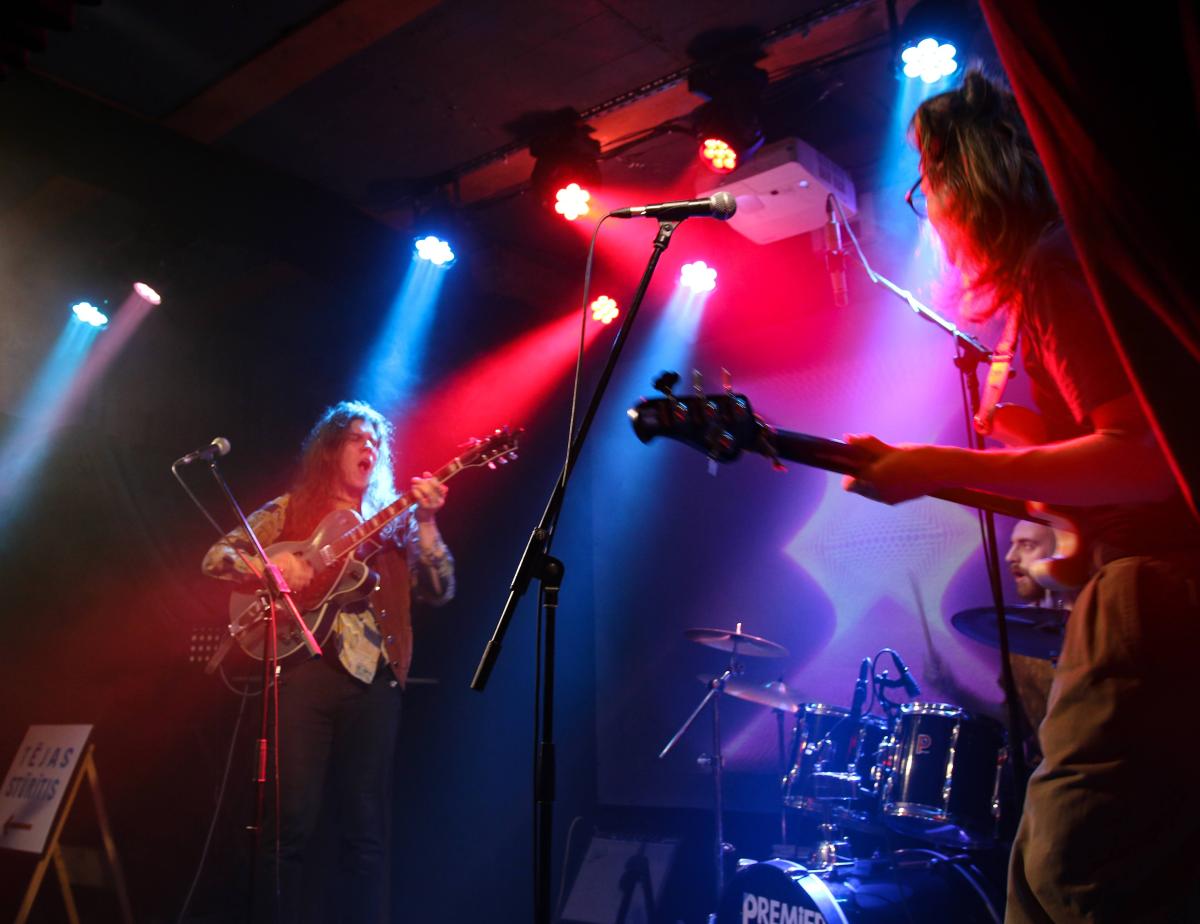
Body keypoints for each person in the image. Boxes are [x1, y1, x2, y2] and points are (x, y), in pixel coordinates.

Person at [845, 70, 1200, 922]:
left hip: (1153, 587)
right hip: (1137, 586)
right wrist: (1051, 514)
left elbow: (1144, 458)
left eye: (925, 188)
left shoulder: (1055, 265)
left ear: (963, 180)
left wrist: (935, 465)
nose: (927, 213)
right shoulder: (1060, 270)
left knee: (1066, 872)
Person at [202, 400, 454, 923]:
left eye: (376, 441)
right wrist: (271, 568)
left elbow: (440, 589)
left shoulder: (395, 519)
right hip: (303, 673)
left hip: (376, 679)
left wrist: (428, 521)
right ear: (331, 449)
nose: (370, 447)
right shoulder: (290, 509)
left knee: (366, 829)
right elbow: (216, 558)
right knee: (288, 822)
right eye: (357, 438)